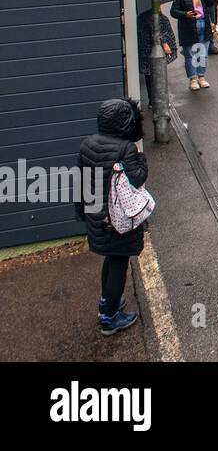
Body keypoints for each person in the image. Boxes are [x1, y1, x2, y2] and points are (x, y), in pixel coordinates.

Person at [75, 99, 148, 336]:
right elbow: (136, 179)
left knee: (110, 259)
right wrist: (142, 161)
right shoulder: (125, 148)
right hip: (117, 219)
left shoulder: (87, 144)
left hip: (96, 217)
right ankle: (109, 318)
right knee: (119, 262)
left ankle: (107, 302)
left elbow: (81, 183)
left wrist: (82, 213)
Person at [170, 0, 211, 90]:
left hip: (204, 25)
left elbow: (211, 4)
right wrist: (185, 14)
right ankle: (193, 79)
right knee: (191, 55)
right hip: (189, 27)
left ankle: (201, 77)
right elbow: (173, 12)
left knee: (202, 54)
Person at [136, 9, 177, 108]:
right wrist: (165, 44)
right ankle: (159, 101)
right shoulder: (152, 16)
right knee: (157, 75)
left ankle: (152, 101)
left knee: (149, 75)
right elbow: (156, 31)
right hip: (153, 49)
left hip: (146, 50)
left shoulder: (142, 16)